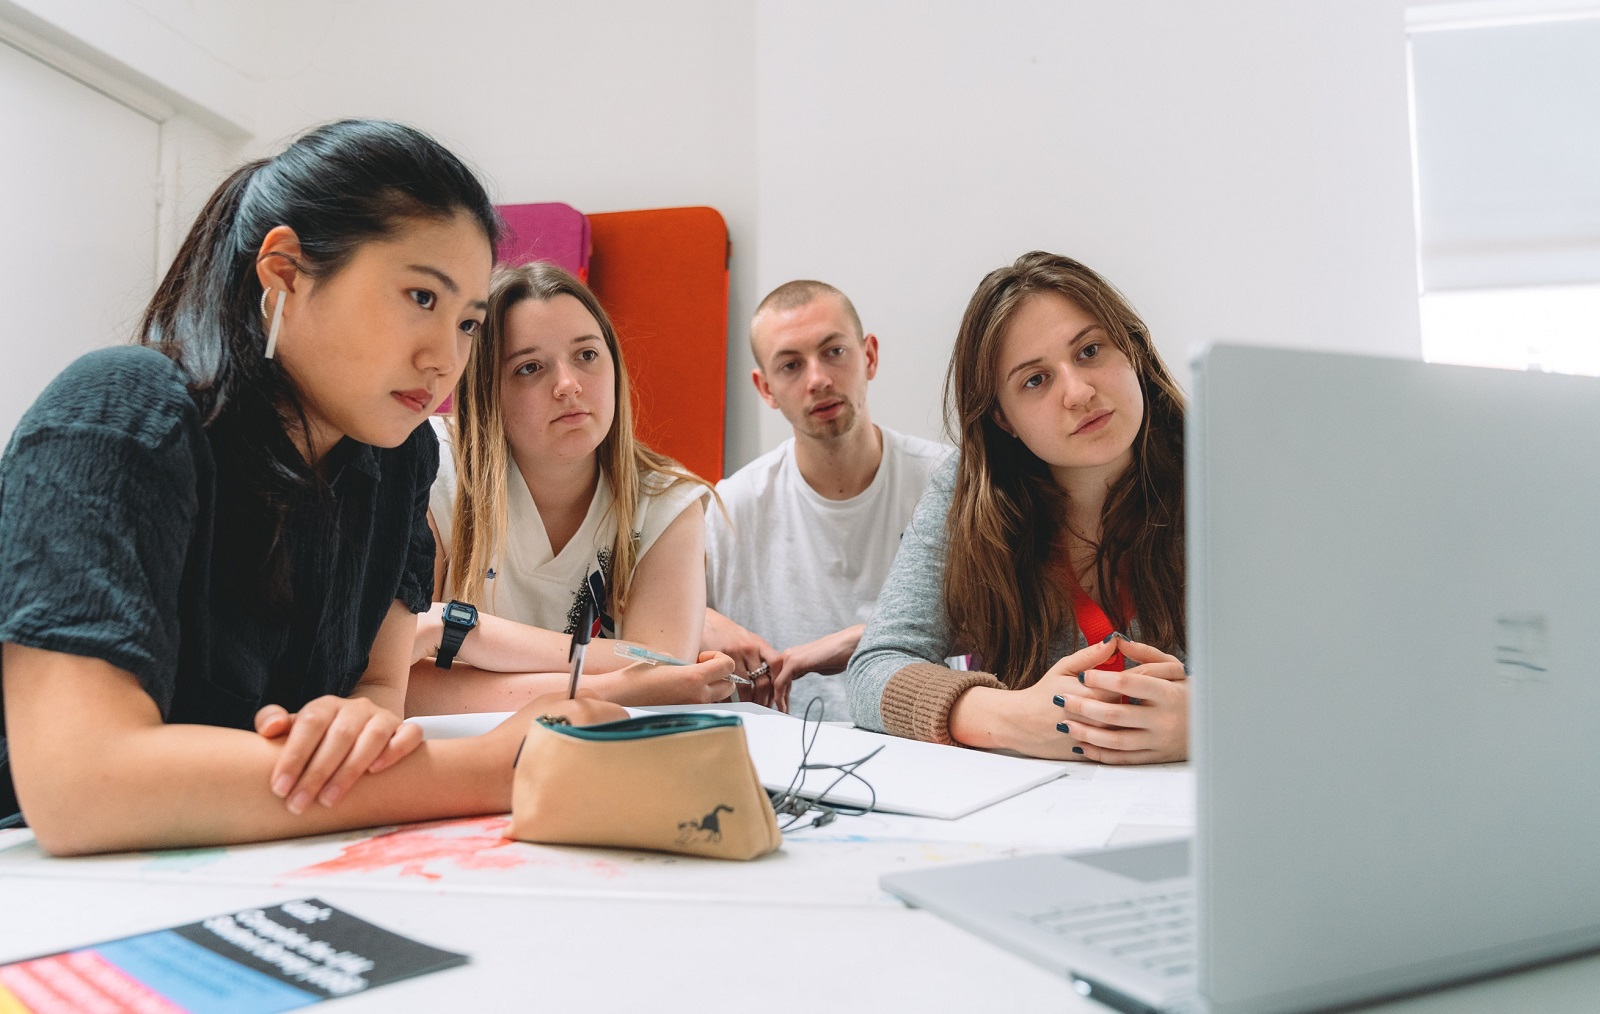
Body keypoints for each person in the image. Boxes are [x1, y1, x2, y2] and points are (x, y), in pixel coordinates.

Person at [0, 120, 624, 855]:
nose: (445, 359)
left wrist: (356, 719)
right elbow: (80, 787)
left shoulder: (400, 459)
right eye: (422, 297)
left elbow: (377, 683)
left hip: (262, 862)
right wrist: (498, 765)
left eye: (467, 323)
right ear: (286, 272)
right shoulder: (118, 414)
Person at [846, 251, 1189, 763]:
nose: (1078, 391)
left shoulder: (1225, 473)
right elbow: (873, 669)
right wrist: (1010, 716)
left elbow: (1326, 668)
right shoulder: (969, 491)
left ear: (1133, 349)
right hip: (1035, 812)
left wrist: (1213, 720)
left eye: (1091, 350)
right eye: (1035, 380)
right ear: (1004, 420)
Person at [407, 263, 735, 712]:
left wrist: (461, 631)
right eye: (530, 368)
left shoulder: (666, 502)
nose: (568, 384)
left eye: (586, 355)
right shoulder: (430, 466)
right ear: (485, 391)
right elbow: (403, 689)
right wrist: (609, 688)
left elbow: (663, 674)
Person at [704, 280, 949, 717]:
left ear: (869, 356)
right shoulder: (730, 509)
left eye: (834, 352)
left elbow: (992, 621)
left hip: (921, 746)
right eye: (791, 366)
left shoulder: (946, 482)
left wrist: (854, 640)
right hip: (778, 764)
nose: (818, 379)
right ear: (765, 389)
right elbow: (648, 629)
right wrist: (702, 624)